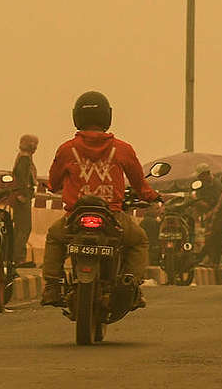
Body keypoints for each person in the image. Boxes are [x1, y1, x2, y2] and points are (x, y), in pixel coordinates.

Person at [41, 92, 161, 307]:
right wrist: (152, 197)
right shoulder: (123, 149)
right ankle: (131, 285)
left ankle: (51, 287)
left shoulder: (67, 149)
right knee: (139, 240)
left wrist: (53, 187)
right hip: (111, 216)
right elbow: (139, 184)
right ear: (107, 116)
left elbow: (54, 182)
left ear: (77, 117)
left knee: (55, 237)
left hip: (75, 218)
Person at [11, 134, 39, 267]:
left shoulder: (23, 157)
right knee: (24, 228)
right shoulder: (24, 158)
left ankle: (17, 257)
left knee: (21, 228)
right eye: (33, 143)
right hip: (22, 198)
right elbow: (22, 179)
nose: (35, 147)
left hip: (21, 196)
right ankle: (18, 258)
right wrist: (23, 194)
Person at [192, 164, 222, 266]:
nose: (199, 178)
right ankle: (207, 259)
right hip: (207, 216)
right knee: (207, 238)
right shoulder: (201, 186)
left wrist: (211, 213)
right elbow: (199, 200)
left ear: (206, 174)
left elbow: (219, 204)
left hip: (219, 217)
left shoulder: (217, 185)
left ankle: (208, 259)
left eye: (200, 176)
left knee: (213, 237)